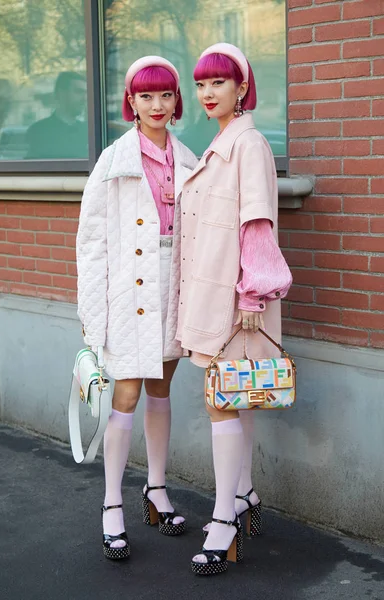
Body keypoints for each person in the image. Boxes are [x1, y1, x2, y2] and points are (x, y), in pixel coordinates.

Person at [176, 43, 292, 576]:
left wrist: (253, 294)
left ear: (242, 88)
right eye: (201, 84)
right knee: (235, 399)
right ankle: (243, 495)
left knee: (222, 401)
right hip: (220, 294)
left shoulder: (249, 145)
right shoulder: (223, 142)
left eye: (218, 83)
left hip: (241, 299)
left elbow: (257, 224)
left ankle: (224, 520)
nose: (206, 94)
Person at [76, 56, 197, 561]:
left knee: (162, 390)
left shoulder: (190, 160)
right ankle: (111, 505)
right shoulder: (114, 160)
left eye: (165, 95)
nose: (156, 105)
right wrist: (93, 317)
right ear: (131, 102)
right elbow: (92, 242)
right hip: (128, 294)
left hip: (172, 290)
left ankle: (156, 488)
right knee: (124, 394)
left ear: (176, 101)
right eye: (146, 96)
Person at [26, 71, 88, 159]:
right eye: (79, 92)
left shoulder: (87, 131)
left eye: (86, 93)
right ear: (61, 93)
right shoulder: (39, 131)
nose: (85, 98)